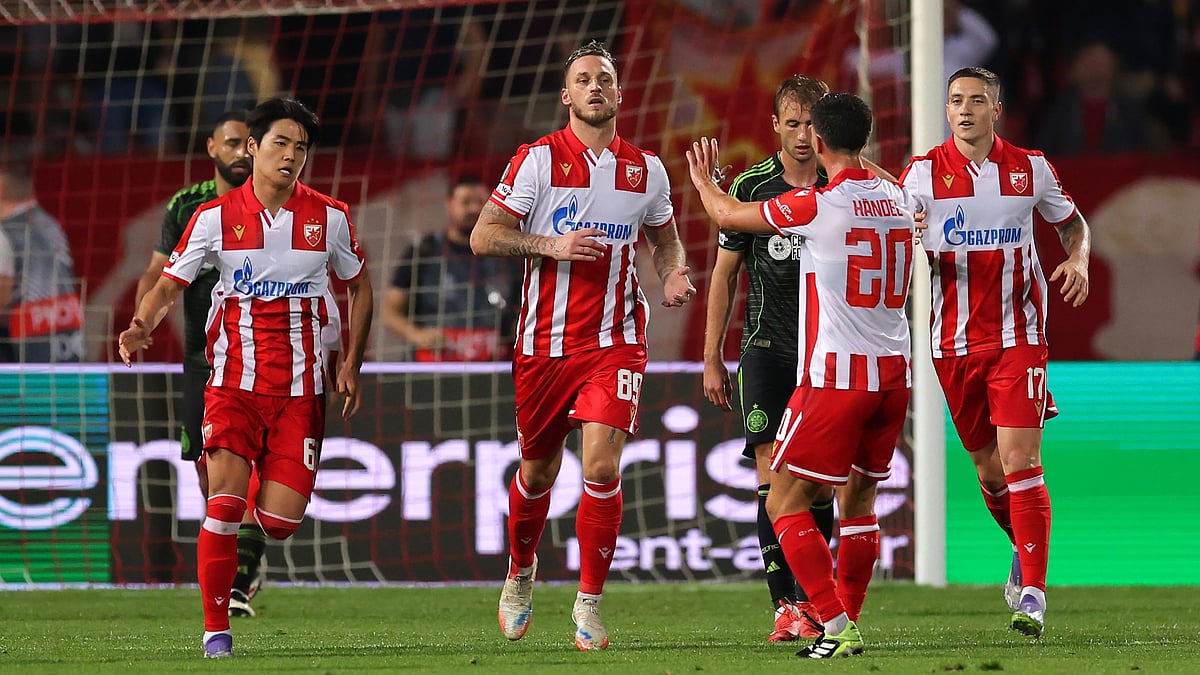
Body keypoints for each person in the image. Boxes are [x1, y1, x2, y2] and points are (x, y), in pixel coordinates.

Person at [118, 97, 373, 659]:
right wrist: (141, 325)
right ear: (253, 148)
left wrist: (351, 361)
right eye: (281, 143)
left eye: (301, 147)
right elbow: (167, 283)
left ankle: (256, 490)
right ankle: (216, 633)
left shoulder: (330, 216)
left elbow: (360, 285)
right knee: (223, 505)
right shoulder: (211, 217)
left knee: (279, 522)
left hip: (302, 393)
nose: (291, 155)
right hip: (232, 383)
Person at [470, 40, 695, 651]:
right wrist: (550, 245)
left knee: (600, 467)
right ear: (566, 96)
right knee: (537, 472)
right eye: (583, 79)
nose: (596, 86)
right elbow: (483, 235)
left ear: (620, 95)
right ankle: (519, 575)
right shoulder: (536, 161)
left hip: (617, 341)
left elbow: (665, 240)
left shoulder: (647, 170)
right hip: (543, 346)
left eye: (605, 78)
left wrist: (673, 271)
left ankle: (589, 602)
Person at [687, 92, 916, 659]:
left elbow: (724, 216)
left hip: (836, 376)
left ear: (816, 139)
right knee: (858, 503)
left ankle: (831, 623)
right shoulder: (900, 196)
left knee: (783, 502)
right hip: (894, 377)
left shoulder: (817, 205)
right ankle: (847, 625)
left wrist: (702, 182)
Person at [901, 67, 1091, 638]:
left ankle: (1032, 591)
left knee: (1020, 462)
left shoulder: (1031, 169)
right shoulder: (920, 175)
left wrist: (1077, 259)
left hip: (1018, 339)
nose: (964, 110)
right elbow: (893, 242)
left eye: (976, 101)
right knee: (989, 471)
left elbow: (1073, 225)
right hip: (951, 343)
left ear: (997, 108)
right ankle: (1023, 549)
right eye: (955, 101)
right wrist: (908, 234)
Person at [701, 74, 833, 643]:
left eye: (812, 122)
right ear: (775, 125)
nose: (803, 134)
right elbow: (724, 274)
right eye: (793, 121)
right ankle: (787, 606)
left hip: (827, 354)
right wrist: (712, 357)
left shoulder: (841, 183)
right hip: (766, 352)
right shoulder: (753, 185)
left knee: (822, 486)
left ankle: (813, 601)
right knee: (770, 477)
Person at [134, 109, 272, 617]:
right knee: (209, 473)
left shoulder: (273, 204)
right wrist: (140, 322)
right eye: (233, 143)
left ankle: (242, 570)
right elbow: (159, 273)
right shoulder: (186, 205)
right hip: (202, 357)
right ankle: (236, 562)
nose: (242, 152)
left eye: (249, 144)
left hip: (263, 355)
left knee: (251, 463)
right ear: (212, 147)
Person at [382, 176, 520, 361]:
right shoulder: (424, 251)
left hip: (491, 367)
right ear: (449, 204)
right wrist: (418, 335)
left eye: (480, 202)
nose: (473, 209)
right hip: (433, 366)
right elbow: (390, 311)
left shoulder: (507, 255)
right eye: (465, 202)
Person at [0, 141, 84, 363]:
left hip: (27, 348)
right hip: (69, 335)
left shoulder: (4, 232)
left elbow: (2, 295)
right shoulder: (51, 224)